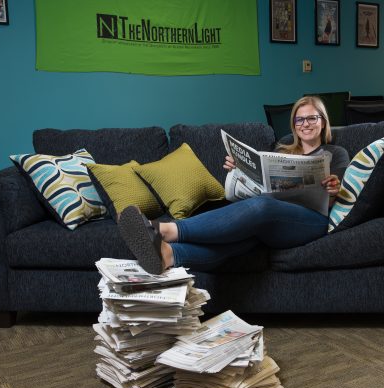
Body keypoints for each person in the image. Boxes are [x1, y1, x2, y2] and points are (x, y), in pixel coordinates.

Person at [118, 96, 350, 275]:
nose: (305, 124)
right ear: (294, 125)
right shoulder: (282, 151)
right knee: (242, 236)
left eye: (312, 118)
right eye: (300, 119)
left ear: (323, 121)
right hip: (272, 221)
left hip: (309, 221)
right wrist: (239, 172)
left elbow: (333, 196)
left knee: (262, 206)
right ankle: (168, 255)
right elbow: (262, 186)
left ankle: (166, 230)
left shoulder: (336, 153)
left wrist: (333, 189)